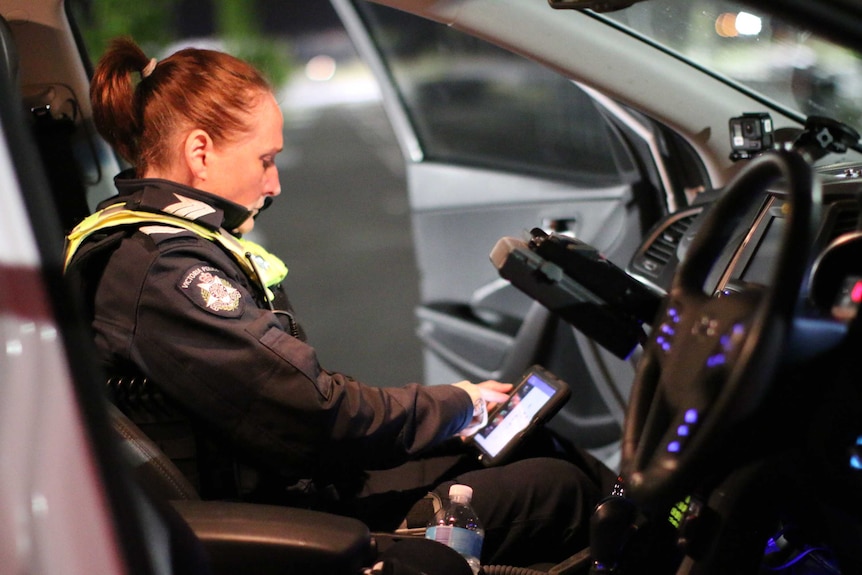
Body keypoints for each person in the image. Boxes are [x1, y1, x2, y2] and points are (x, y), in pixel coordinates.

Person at [64, 37, 616, 567]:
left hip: (284, 487)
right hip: (288, 520)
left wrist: (455, 409)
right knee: (561, 489)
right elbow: (313, 414)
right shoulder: (164, 269)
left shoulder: (151, 243)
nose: (275, 182)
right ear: (200, 152)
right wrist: (457, 404)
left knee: (532, 444)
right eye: (264, 159)